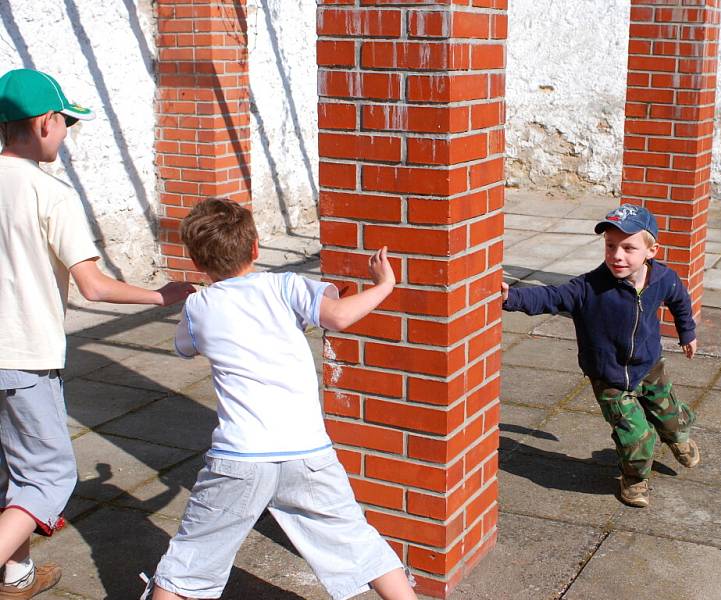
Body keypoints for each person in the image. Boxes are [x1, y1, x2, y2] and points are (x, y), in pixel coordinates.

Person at [141, 198, 416, 600]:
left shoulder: (199, 305)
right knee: (361, 544)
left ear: (198, 263)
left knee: (190, 560)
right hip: (309, 454)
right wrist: (384, 285)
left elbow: (184, 347)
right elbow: (339, 316)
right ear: (255, 248)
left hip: (239, 458)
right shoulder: (286, 285)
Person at [0, 68, 195, 599]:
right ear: (43, 124)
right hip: (22, 357)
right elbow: (95, 288)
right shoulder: (49, 193)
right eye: (66, 123)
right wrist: (164, 295)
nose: (66, 134)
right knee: (48, 478)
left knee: (12, 473)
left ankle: (16, 577)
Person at [501, 203, 701, 508]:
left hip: (649, 366)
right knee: (636, 437)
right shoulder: (589, 287)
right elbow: (550, 296)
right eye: (610, 246)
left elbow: (680, 301)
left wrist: (687, 333)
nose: (617, 255)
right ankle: (634, 479)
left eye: (628, 247)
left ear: (651, 251)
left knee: (671, 418)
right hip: (609, 377)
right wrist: (511, 296)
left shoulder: (663, 279)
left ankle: (679, 439)